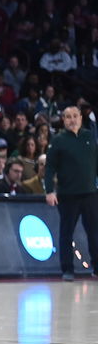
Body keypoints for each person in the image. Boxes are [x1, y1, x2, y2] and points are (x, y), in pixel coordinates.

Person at [44, 105, 98, 280]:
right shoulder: (58, 140)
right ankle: (67, 269)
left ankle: (96, 267)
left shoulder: (89, 136)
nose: (72, 119)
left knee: (94, 232)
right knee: (66, 233)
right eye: (68, 117)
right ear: (63, 120)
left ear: (81, 118)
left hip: (90, 193)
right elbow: (49, 168)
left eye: (75, 116)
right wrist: (50, 191)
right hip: (68, 195)